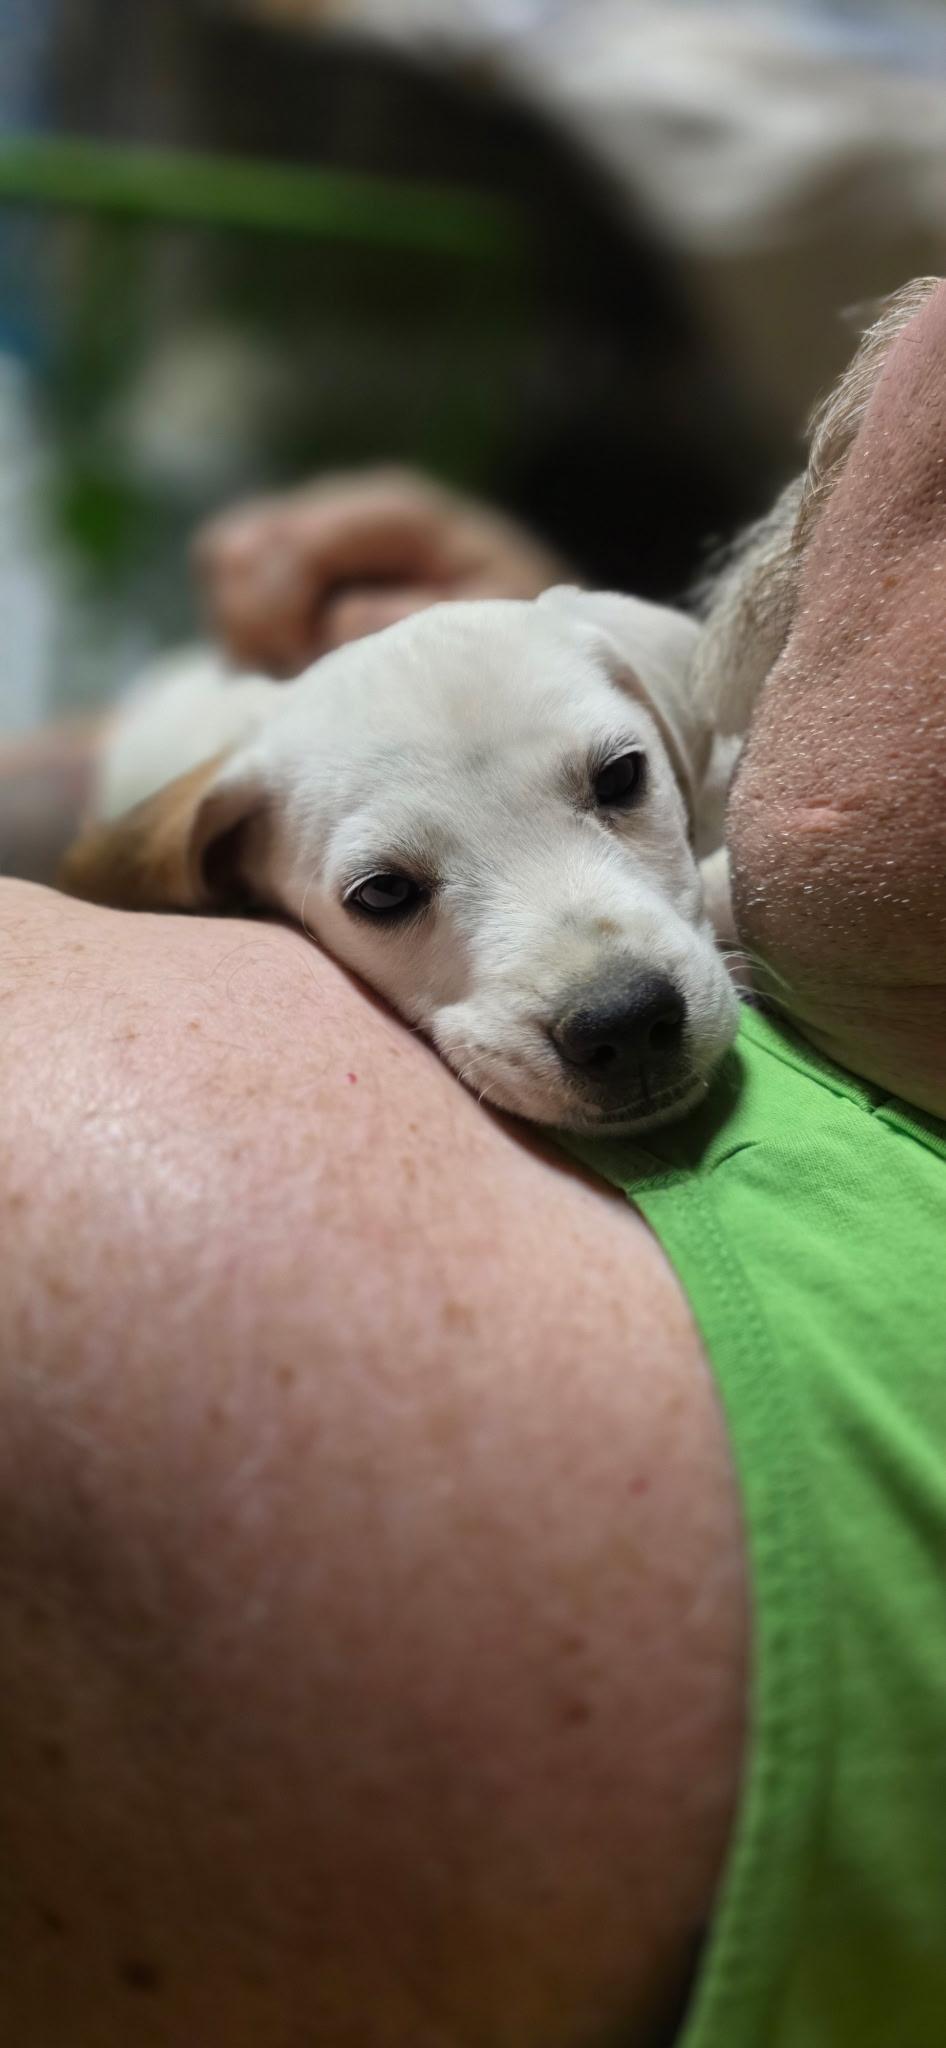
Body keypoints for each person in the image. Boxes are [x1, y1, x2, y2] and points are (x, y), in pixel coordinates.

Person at [0, 279, 943, 2048]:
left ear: (684, 748)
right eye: (393, 892)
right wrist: (502, 656)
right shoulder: (230, 800)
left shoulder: (668, 735)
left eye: (611, 788)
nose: (599, 989)